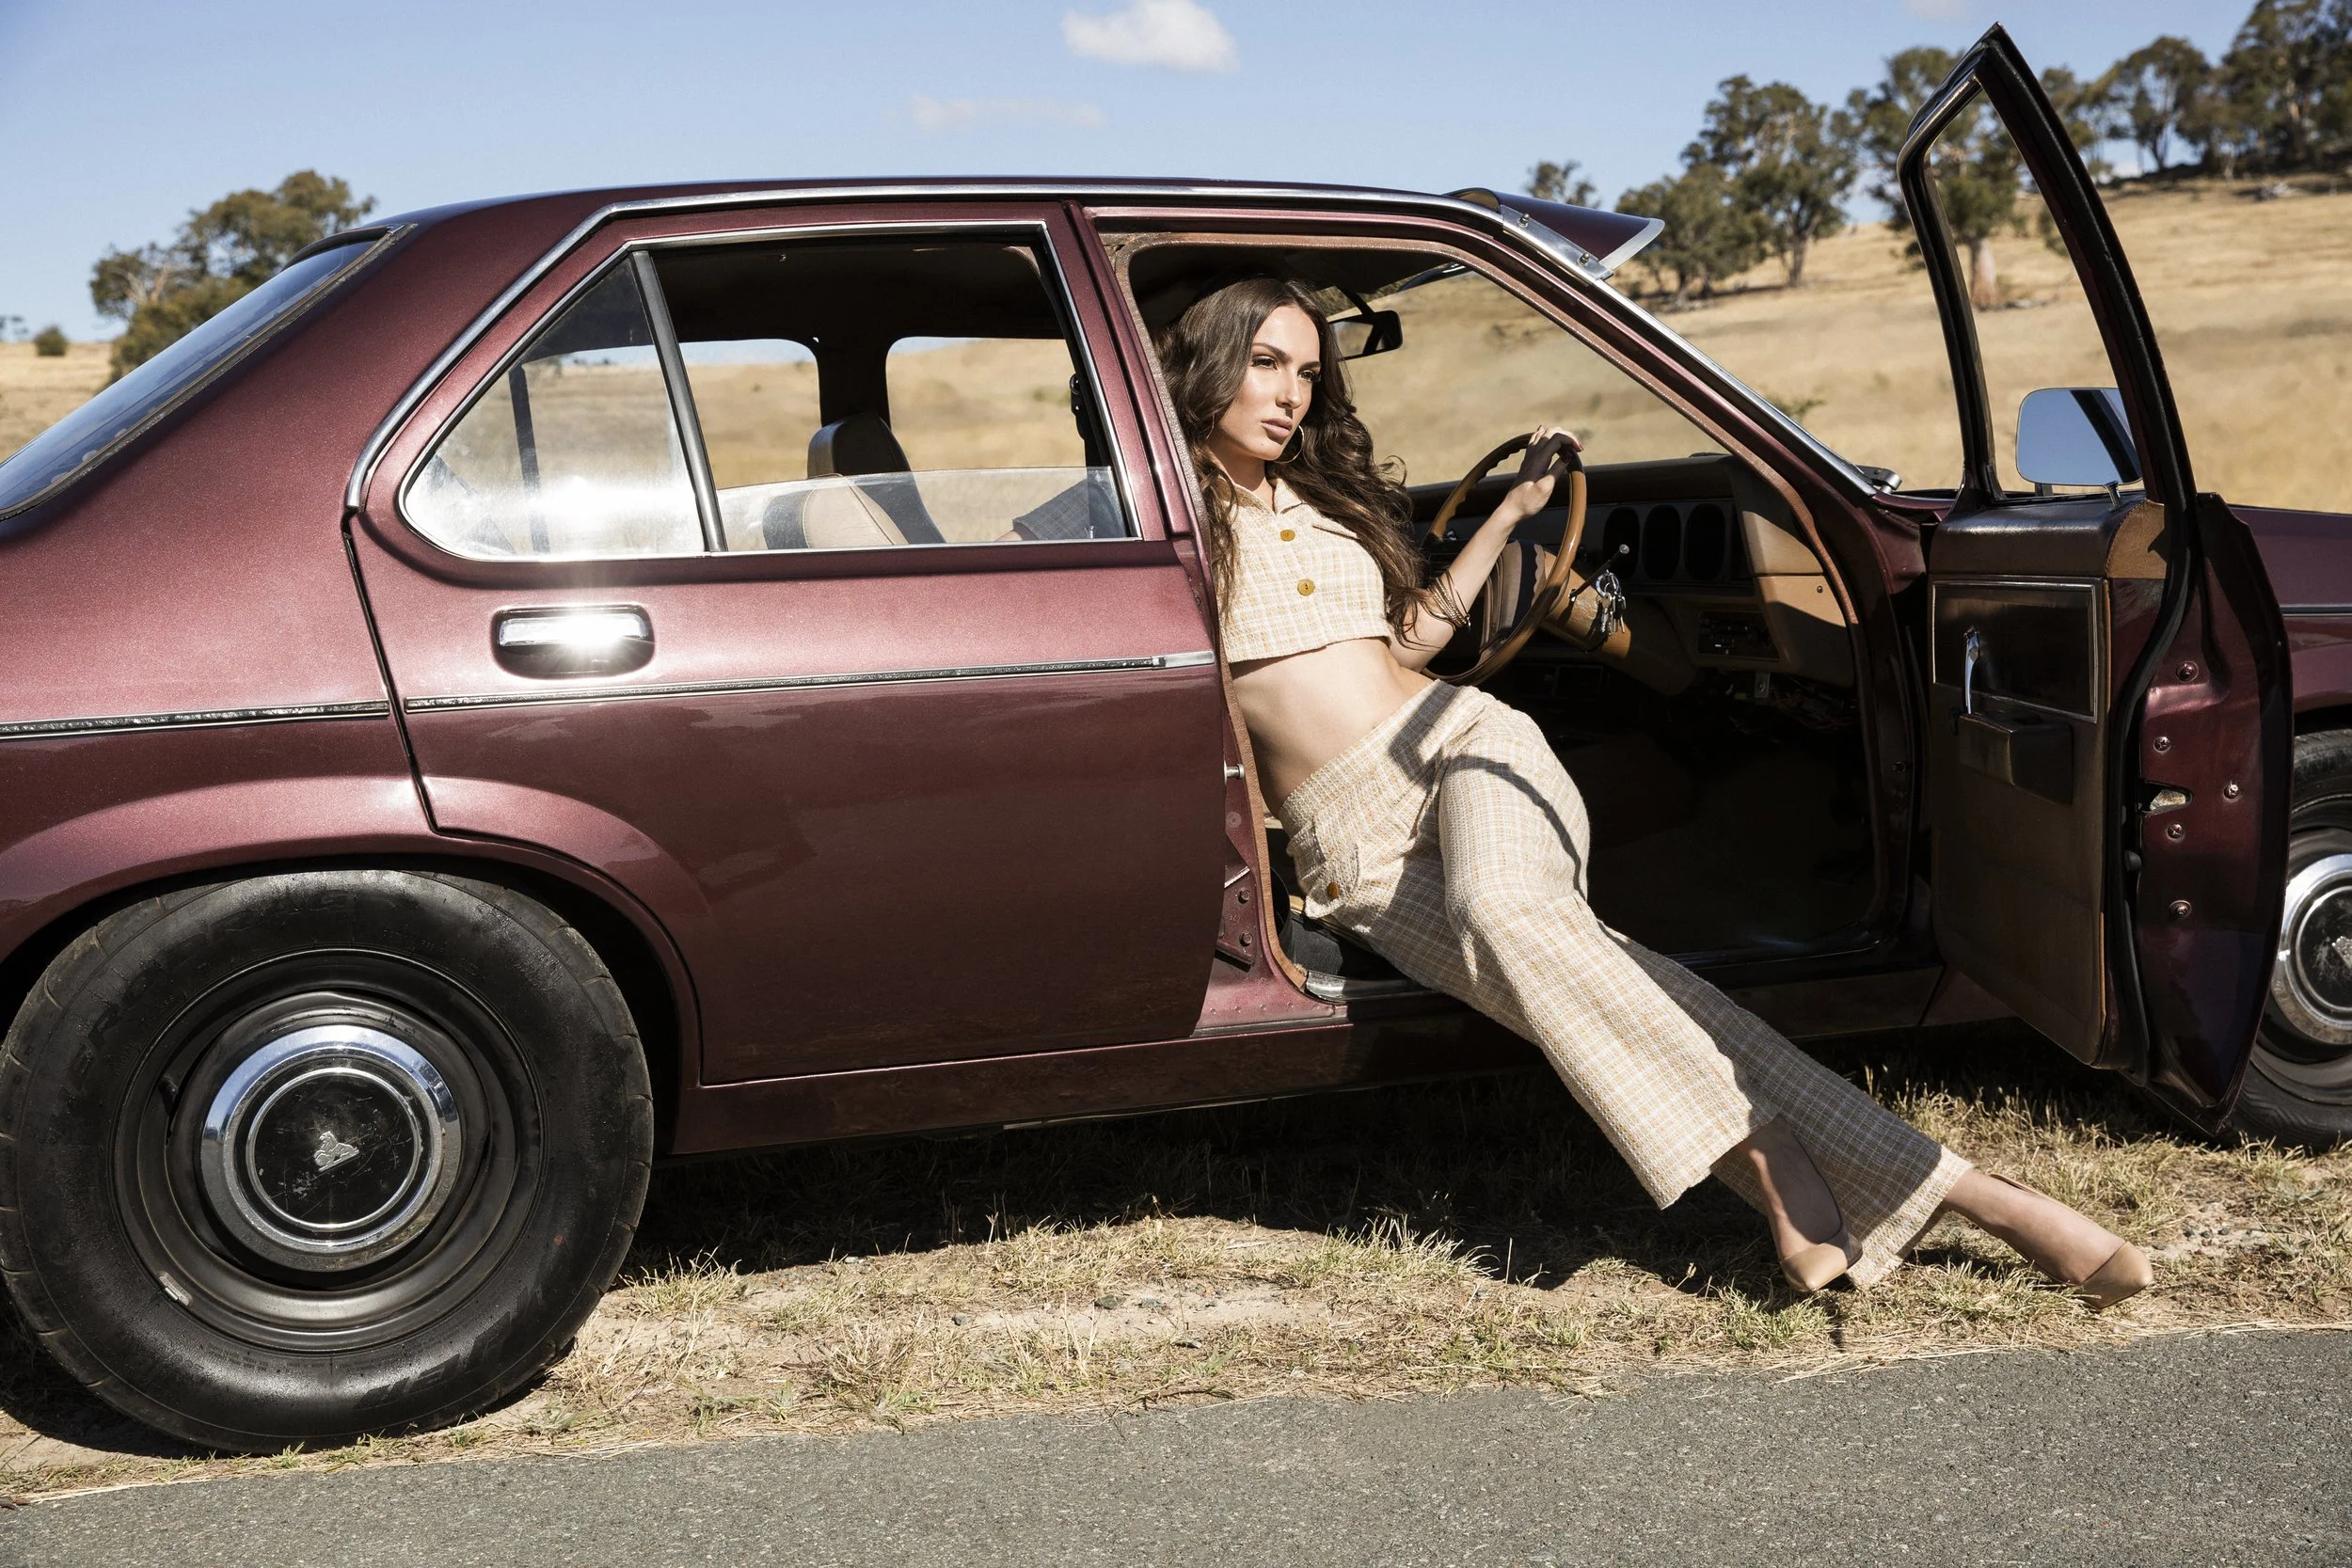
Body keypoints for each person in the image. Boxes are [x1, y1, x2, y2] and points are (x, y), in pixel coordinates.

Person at [1158, 274, 2153, 1304]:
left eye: (1307, 371)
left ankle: (1771, 1157)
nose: (1291, 395)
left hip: (1459, 740)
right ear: (1208, 364)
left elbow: (1406, 642)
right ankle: (1982, 1198)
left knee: (1503, 908)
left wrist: (1515, 513)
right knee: (1614, 977)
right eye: (1265, 364)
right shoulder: (1176, 513)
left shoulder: (1320, 501)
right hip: (1349, 841)